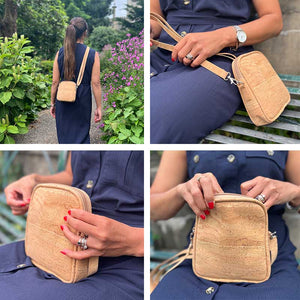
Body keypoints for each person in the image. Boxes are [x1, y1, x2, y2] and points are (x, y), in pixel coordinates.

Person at [151, 151, 300, 299]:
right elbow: (152, 210)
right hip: (199, 260)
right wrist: (180, 191)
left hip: (271, 264)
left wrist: (294, 191)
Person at [0, 151, 144, 300]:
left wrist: (131, 241)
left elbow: (163, 208)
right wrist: (36, 180)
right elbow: (71, 175)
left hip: (126, 263)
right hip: (54, 243)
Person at [150, 0, 283, 143]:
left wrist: (223, 37)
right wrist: (149, 28)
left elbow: (274, 22)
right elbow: (155, 17)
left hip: (221, 57)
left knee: (155, 119)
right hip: (164, 54)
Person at [50, 17, 102, 144]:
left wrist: (53, 103)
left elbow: (55, 82)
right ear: (85, 33)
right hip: (82, 98)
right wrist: (99, 107)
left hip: (62, 99)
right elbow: (95, 83)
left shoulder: (60, 53)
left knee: (64, 136)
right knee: (82, 136)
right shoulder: (92, 54)